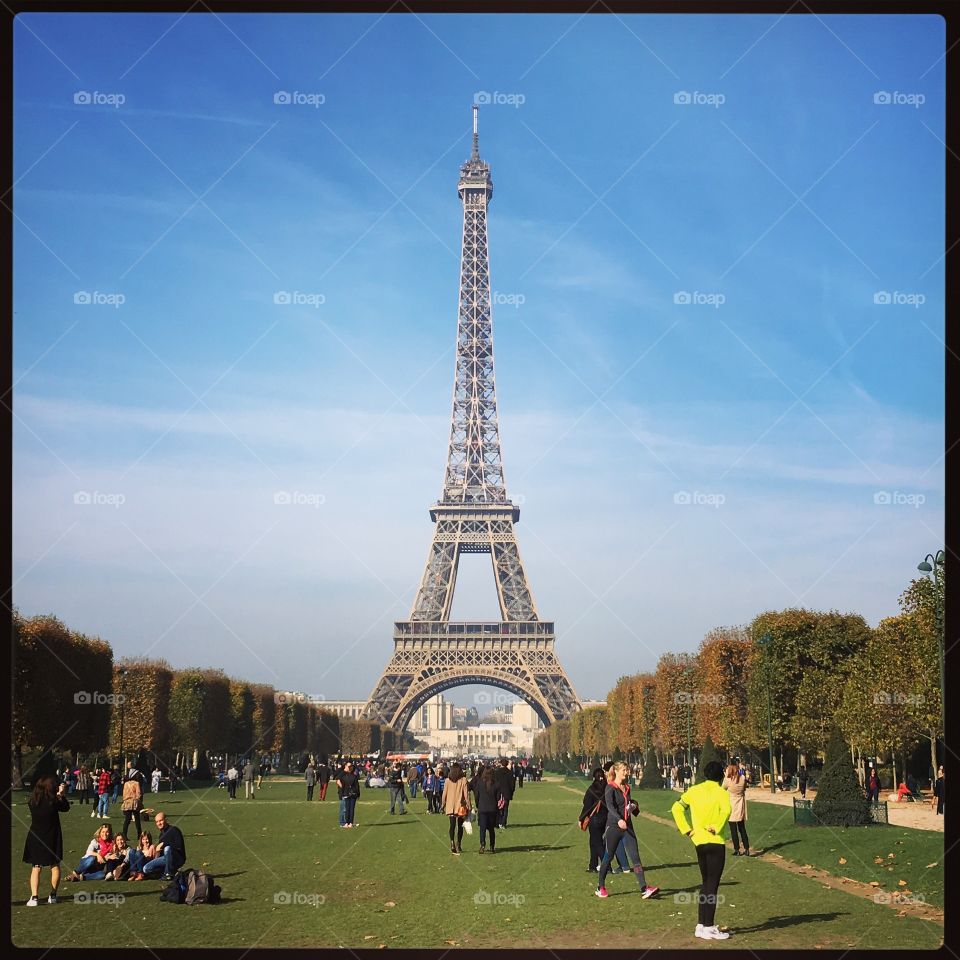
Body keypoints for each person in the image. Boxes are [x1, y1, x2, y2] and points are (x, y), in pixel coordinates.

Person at [672, 759, 732, 941]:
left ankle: (701, 925)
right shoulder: (721, 793)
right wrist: (717, 826)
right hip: (715, 842)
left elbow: (676, 808)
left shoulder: (694, 791)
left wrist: (687, 829)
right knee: (712, 885)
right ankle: (709, 927)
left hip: (698, 842)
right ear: (721, 776)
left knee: (706, 883)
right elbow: (726, 811)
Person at [595, 761, 658, 900]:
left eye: (627, 769)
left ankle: (644, 888)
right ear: (616, 771)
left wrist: (634, 807)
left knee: (635, 858)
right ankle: (601, 886)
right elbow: (610, 806)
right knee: (608, 856)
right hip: (614, 827)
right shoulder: (610, 788)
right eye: (624, 770)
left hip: (628, 827)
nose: (626, 772)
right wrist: (618, 820)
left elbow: (627, 803)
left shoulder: (627, 787)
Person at [23, 775, 70, 906]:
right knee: (55, 865)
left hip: (36, 836)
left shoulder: (33, 801)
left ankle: (34, 897)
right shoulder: (54, 801)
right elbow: (65, 808)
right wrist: (61, 795)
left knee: (36, 867)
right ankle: (53, 895)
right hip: (52, 835)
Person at [141, 811, 186, 880]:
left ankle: (168, 874)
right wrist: (157, 851)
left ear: (166, 820)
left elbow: (179, 846)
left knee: (167, 848)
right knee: (146, 869)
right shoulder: (161, 835)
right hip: (165, 858)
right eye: (157, 822)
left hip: (177, 858)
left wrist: (164, 844)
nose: (159, 823)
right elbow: (162, 853)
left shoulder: (174, 830)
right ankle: (168, 872)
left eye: (161, 820)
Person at [579, 767, 607, 873]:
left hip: (594, 819)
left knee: (597, 843)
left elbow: (587, 806)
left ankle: (606, 865)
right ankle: (592, 865)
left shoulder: (592, 789)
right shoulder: (607, 788)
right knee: (593, 842)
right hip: (605, 818)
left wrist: (581, 818)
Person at [471, 764, 503, 854]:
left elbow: (477, 796)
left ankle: (482, 844)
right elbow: (498, 798)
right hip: (492, 809)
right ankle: (492, 846)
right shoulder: (496, 784)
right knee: (491, 829)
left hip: (482, 808)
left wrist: (478, 804)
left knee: (482, 828)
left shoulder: (480, 783)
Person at [442, 762, 471, 855]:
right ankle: (458, 844)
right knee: (460, 827)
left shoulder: (447, 780)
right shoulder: (463, 780)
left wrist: (442, 805)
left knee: (452, 826)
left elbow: (444, 794)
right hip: (460, 807)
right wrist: (469, 805)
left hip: (450, 806)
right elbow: (466, 795)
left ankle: (452, 843)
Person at [722, 764, 750, 856]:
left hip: (731, 805)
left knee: (733, 829)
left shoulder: (728, 780)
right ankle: (746, 848)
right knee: (742, 828)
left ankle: (737, 849)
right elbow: (745, 787)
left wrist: (726, 776)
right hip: (740, 804)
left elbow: (722, 789)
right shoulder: (742, 778)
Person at [120, 770, 144, 840]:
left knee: (127, 819)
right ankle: (139, 835)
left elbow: (124, 794)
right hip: (134, 802)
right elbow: (138, 794)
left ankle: (124, 835)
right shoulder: (136, 783)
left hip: (127, 802)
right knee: (137, 819)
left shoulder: (126, 784)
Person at [337, 761, 360, 828]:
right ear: (346, 766)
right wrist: (343, 788)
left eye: (351, 766)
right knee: (344, 809)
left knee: (347, 808)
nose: (351, 768)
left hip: (346, 793)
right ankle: (343, 822)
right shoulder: (343, 773)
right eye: (349, 766)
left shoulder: (350, 774)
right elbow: (338, 781)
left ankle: (347, 822)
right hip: (344, 793)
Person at [494, 758, 515, 828]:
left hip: (498, 792)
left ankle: (499, 822)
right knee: (505, 809)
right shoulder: (510, 773)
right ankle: (503, 823)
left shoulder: (496, 772)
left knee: (498, 808)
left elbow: (494, 783)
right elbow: (512, 785)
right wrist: (511, 792)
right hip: (507, 793)